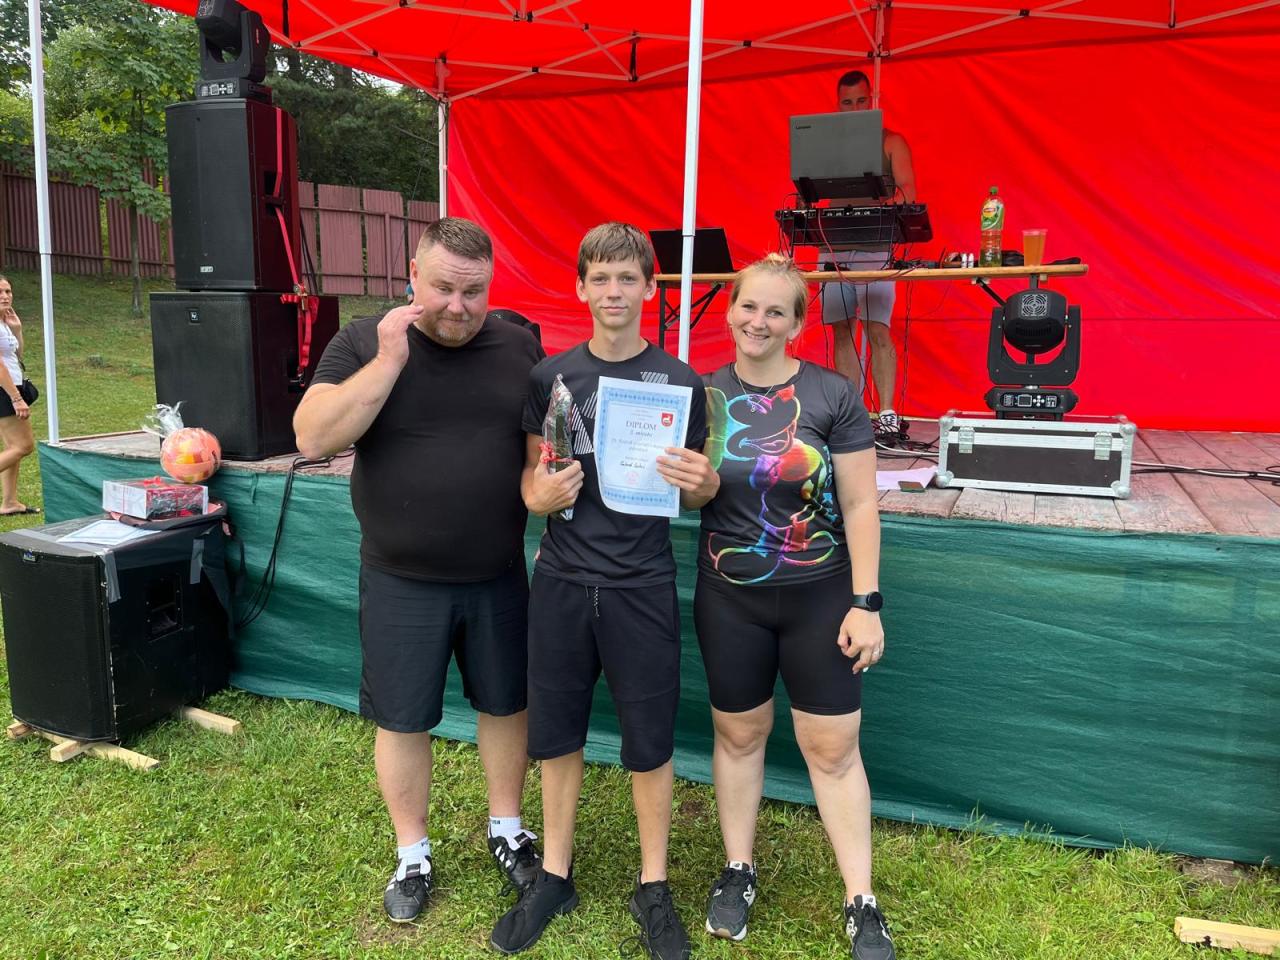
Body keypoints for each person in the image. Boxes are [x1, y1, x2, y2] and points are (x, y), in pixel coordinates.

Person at [294, 218, 546, 924]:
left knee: (506, 704)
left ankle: (507, 828)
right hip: (400, 577)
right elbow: (312, 436)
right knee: (403, 718)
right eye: (442, 289)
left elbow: (543, 445)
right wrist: (388, 361)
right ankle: (413, 853)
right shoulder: (364, 341)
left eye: (474, 291)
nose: (458, 307)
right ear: (412, 274)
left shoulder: (520, 343)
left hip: (497, 572)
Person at [490, 222, 718, 959]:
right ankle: (554, 874)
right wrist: (538, 495)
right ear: (581, 287)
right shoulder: (550, 377)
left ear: (651, 287)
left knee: (650, 740)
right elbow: (532, 481)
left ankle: (654, 884)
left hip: (641, 582)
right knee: (556, 732)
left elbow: (695, 489)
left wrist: (703, 484)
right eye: (601, 278)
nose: (614, 291)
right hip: (561, 578)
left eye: (627, 278)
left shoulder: (680, 382)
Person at [697, 255, 896, 959]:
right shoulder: (702, 394)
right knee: (738, 735)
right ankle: (738, 869)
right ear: (730, 310)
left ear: (798, 324)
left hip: (820, 596)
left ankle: (861, 899)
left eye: (775, 311)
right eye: (748, 306)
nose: (758, 321)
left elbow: (861, 503)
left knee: (833, 748)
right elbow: (689, 492)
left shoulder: (831, 393)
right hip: (729, 598)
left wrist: (866, 603)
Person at [820, 69, 918, 436]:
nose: (855, 107)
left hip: (876, 245)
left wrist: (874, 206)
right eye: (848, 102)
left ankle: (887, 413)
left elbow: (909, 193)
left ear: (872, 100)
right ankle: (850, 413)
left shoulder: (891, 141)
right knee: (842, 331)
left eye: (861, 100)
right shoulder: (827, 146)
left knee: (878, 329)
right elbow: (805, 189)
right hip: (834, 244)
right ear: (838, 105)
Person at [0, 275, 38, 517]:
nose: (5, 296)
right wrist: (16, 398)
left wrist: (17, 330)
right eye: (0, 292)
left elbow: (17, 357)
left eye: (8, 291)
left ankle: (10, 502)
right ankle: (9, 502)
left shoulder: (5, 322)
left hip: (11, 385)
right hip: (4, 389)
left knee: (13, 446)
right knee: (24, 446)